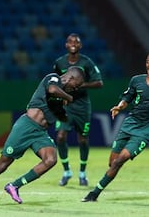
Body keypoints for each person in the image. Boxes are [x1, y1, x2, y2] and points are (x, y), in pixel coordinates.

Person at [0, 66, 85, 207]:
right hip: (25, 127)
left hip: (40, 133)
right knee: (1, 165)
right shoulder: (53, 78)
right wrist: (68, 97)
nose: (76, 88)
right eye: (77, 85)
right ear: (71, 78)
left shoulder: (62, 96)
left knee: (51, 159)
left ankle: (14, 185)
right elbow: (52, 90)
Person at [81, 51, 149, 202]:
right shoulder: (136, 81)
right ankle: (104, 183)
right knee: (112, 163)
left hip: (146, 131)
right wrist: (119, 106)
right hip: (129, 124)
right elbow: (127, 97)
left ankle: (94, 194)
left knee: (118, 161)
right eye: (148, 62)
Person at [53, 33, 103, 187]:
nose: (73, 43)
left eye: (76, 42)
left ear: (80, 46)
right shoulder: (59, 63)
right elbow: (54, 82)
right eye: (70, 41)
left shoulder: (86, 62)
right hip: (65, 106)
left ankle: (82, 173)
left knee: (82, 139)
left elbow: (99, 82)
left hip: (82, 106)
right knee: (60, 137)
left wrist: (81, 84)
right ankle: (66, 171)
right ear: (66, 45)